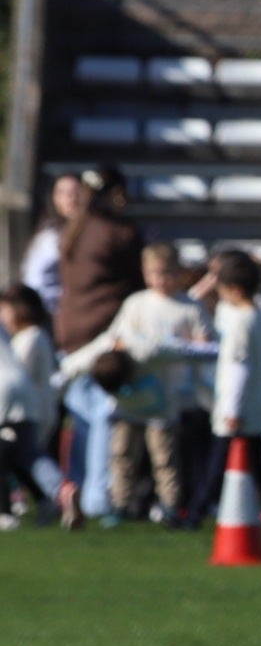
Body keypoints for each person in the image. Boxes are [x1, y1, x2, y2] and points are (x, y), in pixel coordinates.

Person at [52, 165, 144, 523]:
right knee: (106, 416)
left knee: (80, 419)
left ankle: (74, 488)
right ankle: (97, 498)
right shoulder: (118, 233)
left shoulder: (74, 229)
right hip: (103, 335)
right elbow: (138, 283)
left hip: (70, 333)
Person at [100, 244, 213, 525]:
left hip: (167, 398)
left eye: (167, 273)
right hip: (132, 395)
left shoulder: (189, 307)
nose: (160, 280)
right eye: (154, 273)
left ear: (178, 273)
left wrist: (181, 348)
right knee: (123, 453)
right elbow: (116, 339)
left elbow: (206, 345)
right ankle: (120, 504)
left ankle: (171, 505)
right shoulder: (136, 304)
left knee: (164, 457)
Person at [191, 251, 261, 527]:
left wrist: (231, 409)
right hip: (260, 402)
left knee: (217, 464)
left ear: (234, 289)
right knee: (258, 463)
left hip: (239, 408)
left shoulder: (241, 322)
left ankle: (196, 513)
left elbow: (238, 368)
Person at [0, 287, 65, 524]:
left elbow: (20, 372)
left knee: (16, 456)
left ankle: (55, 492)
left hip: (25, 409)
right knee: (23, 458)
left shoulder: (31, 337)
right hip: (33, 409)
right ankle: (50, 498)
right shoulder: (32, 337)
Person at [19, 172, 89, 315]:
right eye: (63, 192)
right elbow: (35, 279)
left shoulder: (95, 232)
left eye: (76, 191)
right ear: (54, 198)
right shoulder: (49, 237)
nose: (71, 197)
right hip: (51, 312)